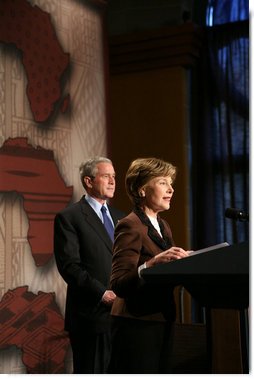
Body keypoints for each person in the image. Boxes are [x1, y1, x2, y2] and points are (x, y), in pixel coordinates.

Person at [109, 157, 190, 374]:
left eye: (171, 183)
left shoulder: (163, 225)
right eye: (163, 182)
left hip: (162, 317)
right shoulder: (130, 225)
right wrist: (151, 264)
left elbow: (169, 268)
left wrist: (187, 261)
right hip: (137, 324)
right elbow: (118, 283)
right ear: (141, 189)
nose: (171, 189)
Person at [54, 156, 125, 374]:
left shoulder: (120, 217)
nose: (112, 181)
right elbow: (70, 266)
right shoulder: (70, 217)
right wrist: (102, 293)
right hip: (91, 316)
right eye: (106, 176)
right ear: (88, 181)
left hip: (122, 315)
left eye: (114, 176)